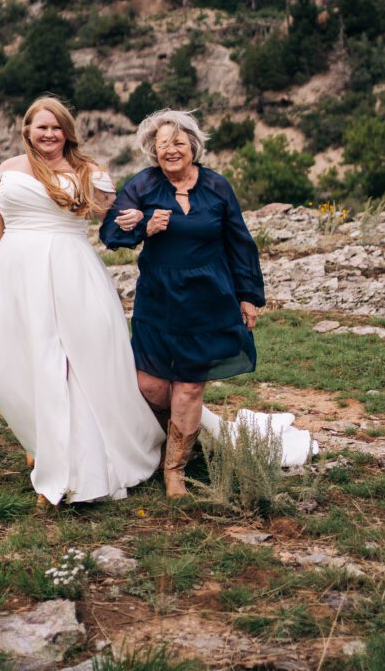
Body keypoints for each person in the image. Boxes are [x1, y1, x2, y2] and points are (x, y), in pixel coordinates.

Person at [0, 96, 163, 507]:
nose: (49, 134)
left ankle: (83, 460)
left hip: (72, 273)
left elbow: (114, 221)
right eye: (42, 127)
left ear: (67, 132)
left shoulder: (87, 173)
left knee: (79, 360)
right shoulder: (6, 171)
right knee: (10, 358)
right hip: (17, 276)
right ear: (27, 131)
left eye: (57, 127)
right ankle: (40, 437)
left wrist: (134, 221)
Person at [100, 109, 265, 499]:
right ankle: (163, 438)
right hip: (158, 300)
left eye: (178, 142)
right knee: (150, 384)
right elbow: (110, 232)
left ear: (193, 145)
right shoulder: (142, 186)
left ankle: (174, 469)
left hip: (209, 300)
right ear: (152, 152)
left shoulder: (217, 186)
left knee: (190, 387)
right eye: (163, 145)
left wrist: (249, 296)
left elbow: (239, 243)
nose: (171, 150)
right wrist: (143, 227)